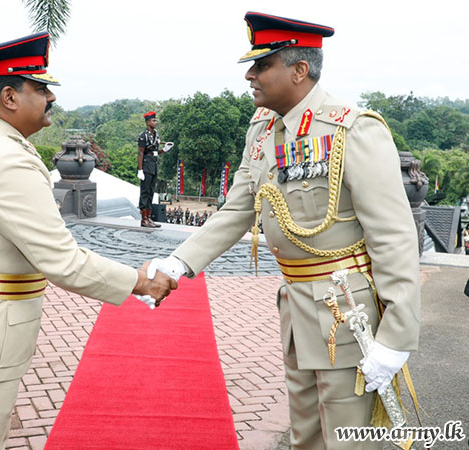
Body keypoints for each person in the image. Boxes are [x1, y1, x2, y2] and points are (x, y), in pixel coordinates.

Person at [145, 12, 421, 449]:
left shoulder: (352, 130)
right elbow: (238, 208)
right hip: (296, 309)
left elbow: (393, 236)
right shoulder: (262, 129)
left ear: (299, 70)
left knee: (347, 440)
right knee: (305, 436)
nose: (250, 76)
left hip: (346, 313)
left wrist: (397, 336)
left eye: (262, 65)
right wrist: (177, 263)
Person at [0, 32, 177, 450]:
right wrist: (140, 281)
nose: (51, 97)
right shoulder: (7, 159)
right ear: (9, 97)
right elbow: (63, 261)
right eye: (41, 88)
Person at [137, 111, 173, 227]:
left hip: (154, 164)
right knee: (145, 192)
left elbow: (155, 152)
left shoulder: (156, 134)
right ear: (148, 122)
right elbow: (140, 153)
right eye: (153, 120)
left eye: (155, 120)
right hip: (146, 164)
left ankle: (149, 217)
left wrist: (165, 149)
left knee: (151, 191)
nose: (155, 122)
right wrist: (140, 169)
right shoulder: (143, 136)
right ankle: (144, 219)